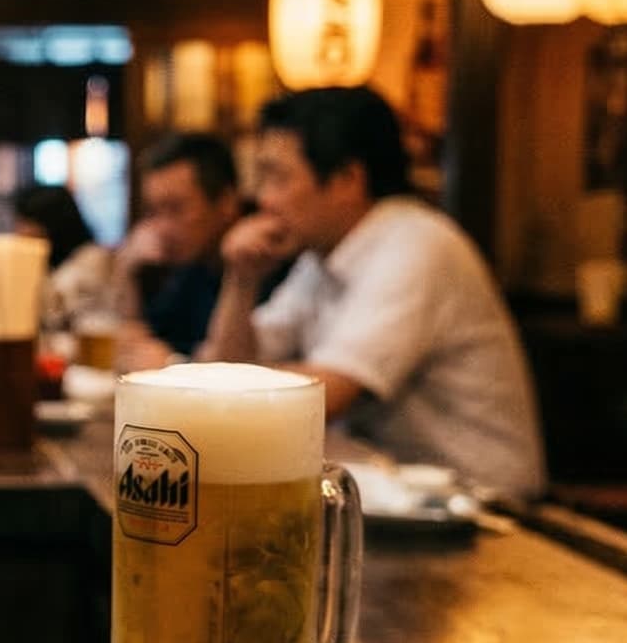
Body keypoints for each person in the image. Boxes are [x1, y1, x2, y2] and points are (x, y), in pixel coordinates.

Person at [201, 86, 547, 498]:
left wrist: (203, 386)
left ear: (348, 179)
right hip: (398, 498)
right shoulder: (323, 257)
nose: (262, 198)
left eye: (277, 177)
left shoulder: (416, 244)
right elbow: (226, 363)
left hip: (493, 511)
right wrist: (241, 280)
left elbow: (325, 396)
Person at [111, 133, 262, 361]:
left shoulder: (264, 260)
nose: (161, 227)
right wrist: (128, 272)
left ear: (226, 202)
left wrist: (171, 364)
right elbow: (143, 338)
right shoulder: (193, 266)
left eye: (175, 209)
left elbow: (234, 368)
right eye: (153, 211)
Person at [12, 183, 111, 328]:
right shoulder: (42, 261)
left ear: (51, 223)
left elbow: (59, 315)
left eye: (27, 222)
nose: (19, 230)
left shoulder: (92, 258)